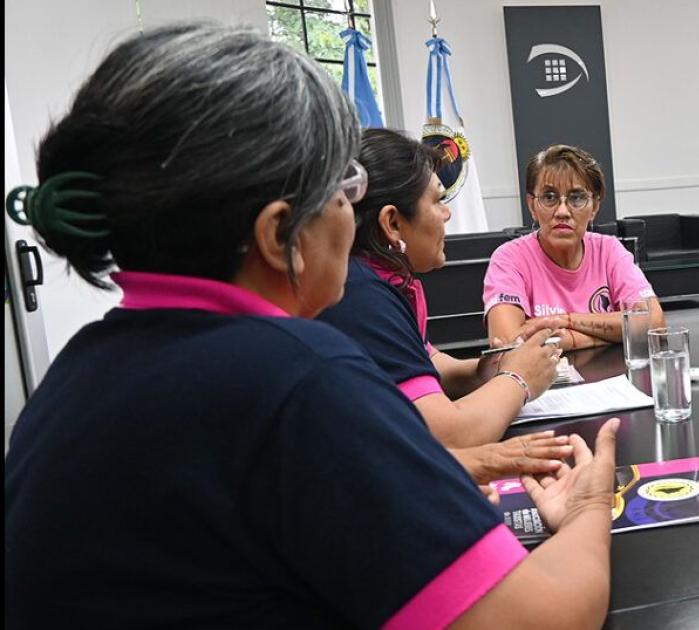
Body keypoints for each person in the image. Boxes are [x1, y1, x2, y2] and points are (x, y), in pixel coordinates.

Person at [4, 24, 616, 628]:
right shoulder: (298, 375)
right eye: (345, 189)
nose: (356, 216)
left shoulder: (78, 368)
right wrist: (589, 504)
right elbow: (548, 617)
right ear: (279, 235)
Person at [318, 129, 560, 447]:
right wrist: (518, 379)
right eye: (437, 200)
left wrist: (483, 370)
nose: (447, 213)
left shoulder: (382, 279)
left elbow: (426, 361)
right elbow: (449, 437)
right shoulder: (363, 296)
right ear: (392, 223)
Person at [483, 144, 665, 350]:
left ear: (594, 207)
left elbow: (654, 324)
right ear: (532, 205)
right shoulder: (509, 259)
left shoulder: (609, 250)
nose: (562, 211)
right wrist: (608, 335)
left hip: (610, 378)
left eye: (576, 198)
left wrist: (568, 323)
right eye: (549, 197)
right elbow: (507, 343)